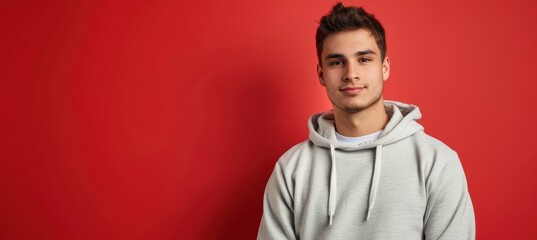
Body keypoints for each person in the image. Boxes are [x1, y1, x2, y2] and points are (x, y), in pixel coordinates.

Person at [257, 2, 475, 239]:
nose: (351, 73)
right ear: (321, 74)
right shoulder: (291, 170)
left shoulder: (437, 162)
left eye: (364, 59)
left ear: (385, 67)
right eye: (337, 62)